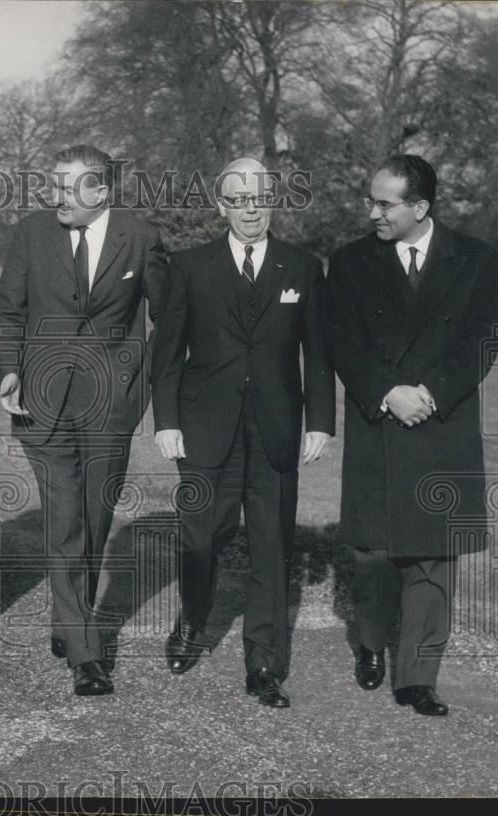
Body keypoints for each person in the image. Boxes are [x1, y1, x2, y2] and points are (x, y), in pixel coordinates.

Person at [324, 154, 498, 716]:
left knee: (434, 555)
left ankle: (417, 676)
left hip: (440, 423)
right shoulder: (351, 261)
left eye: (384, 203)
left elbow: (483, 338)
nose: (371, 212)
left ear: (421, 207)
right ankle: (373, 646)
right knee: (374, 553)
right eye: (370, 200)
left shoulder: (478, 258)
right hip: (378, 418)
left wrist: (430, 393)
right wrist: (387, 392)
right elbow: (342, 340)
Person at [151, 157, 335, 708]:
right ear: (221, 204)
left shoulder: (301, 266)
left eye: (259, 198)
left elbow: (317, 352)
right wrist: (167, 422)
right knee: (200, 537)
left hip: (277, 428)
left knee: (271, 547)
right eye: (238, 199)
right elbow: (167, 354)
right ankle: (193, 622)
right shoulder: (189, 266)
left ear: (272, 201)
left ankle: (263, 663)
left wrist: (321, 422)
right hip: (205, 429)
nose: (250, 209)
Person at [0, 144, 166, 696]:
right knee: (63, 520)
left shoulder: (140, 236)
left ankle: (70, 620)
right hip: (42, 399)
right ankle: (86, 656)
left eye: (69, 188)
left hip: (110, 404)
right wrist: (10, 370)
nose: (55, 196)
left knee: (93, 518)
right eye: (54, 185)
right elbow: (8, 311)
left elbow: (169, 317)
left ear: (102, 192)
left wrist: (134, 376)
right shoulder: (32, 233)